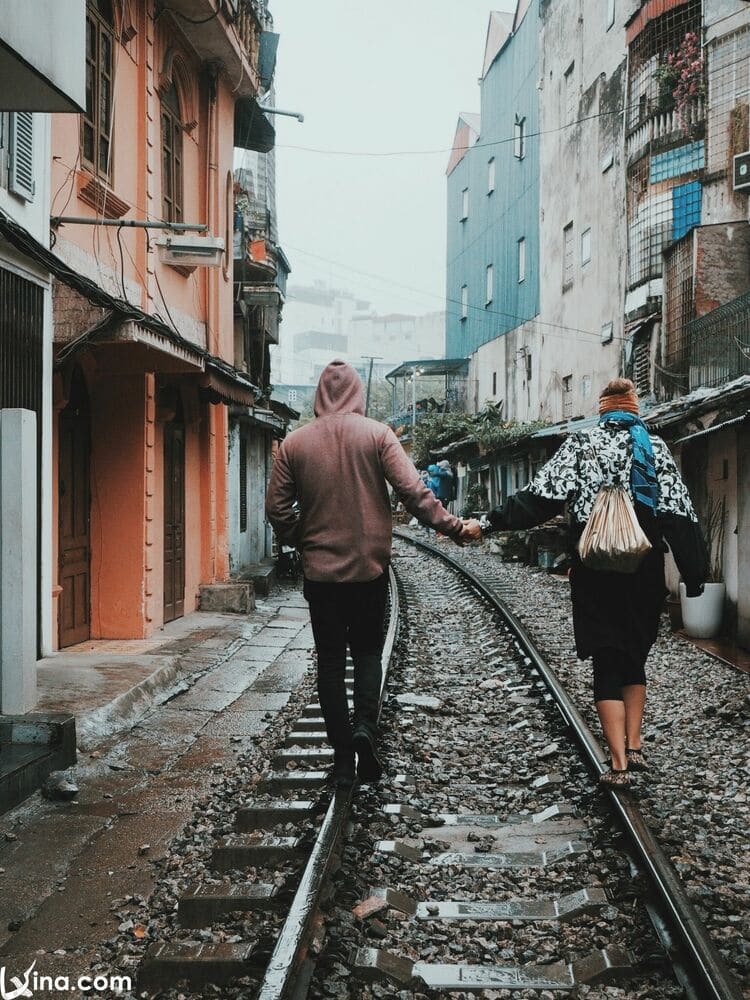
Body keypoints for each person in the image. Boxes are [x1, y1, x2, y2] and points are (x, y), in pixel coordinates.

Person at [463, 378, 708, 788]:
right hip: (645, 572)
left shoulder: (581, 445)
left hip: (595, 572)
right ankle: (634, 744)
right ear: (634, 411)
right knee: (633, 657)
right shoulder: (656, 449)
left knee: (606, 660)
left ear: (602, 410)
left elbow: (536, 500)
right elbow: (680, 515)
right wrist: (695, 575)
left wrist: (487, 523)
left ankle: (618, 765)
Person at [266, 360, 479, 788]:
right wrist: (454, 528)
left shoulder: (295, 444)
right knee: (366, 654)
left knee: (329, 664)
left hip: (321, 577)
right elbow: (415, 493)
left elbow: (276, 509)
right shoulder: (379, 435)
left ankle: (343, 759)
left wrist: (304, 539)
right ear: (359, 393)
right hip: (369, 571)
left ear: (319, 395)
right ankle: (365, 725)